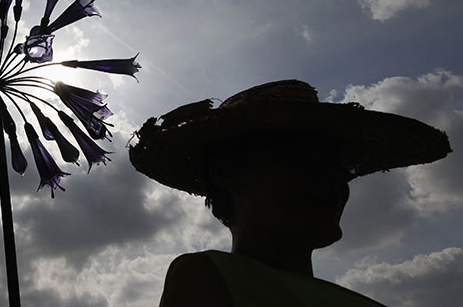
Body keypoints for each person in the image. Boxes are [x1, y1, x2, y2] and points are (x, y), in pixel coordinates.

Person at [129, 79, 451, 306]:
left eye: (344, 167)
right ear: (226, 171)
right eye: (303, 160)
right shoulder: (209, 280)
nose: (336, 181)